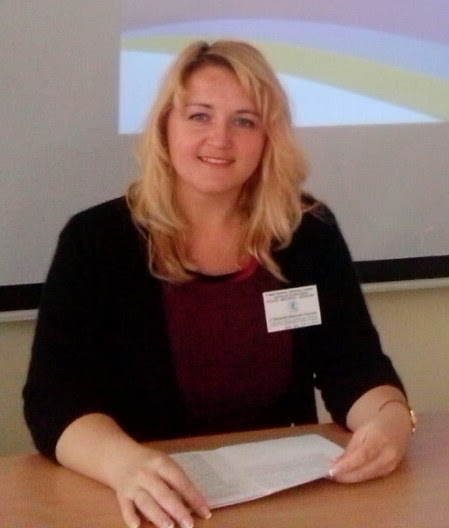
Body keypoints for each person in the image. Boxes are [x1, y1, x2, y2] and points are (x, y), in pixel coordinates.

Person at [23, 40, 415, 528]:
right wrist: (125, 465)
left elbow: (354, 367)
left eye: (244, 121)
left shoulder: (306, 233)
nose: (220, 139)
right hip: (144, 503)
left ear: (268, 137)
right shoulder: (97, 240)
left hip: (283, 502)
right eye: (200, 116)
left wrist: (390, 421)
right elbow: (53, 400)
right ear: (165, 127)